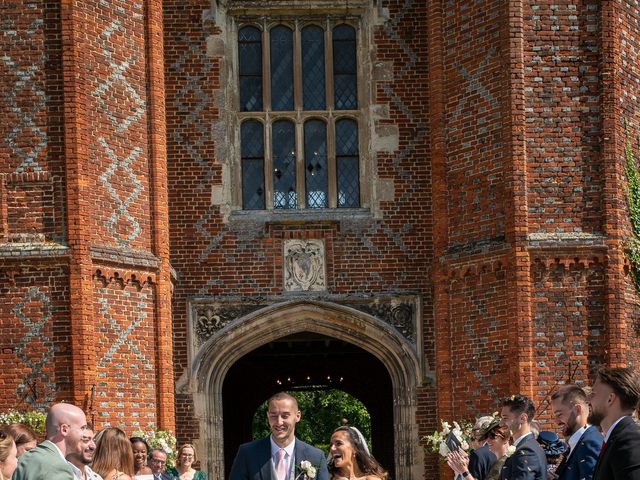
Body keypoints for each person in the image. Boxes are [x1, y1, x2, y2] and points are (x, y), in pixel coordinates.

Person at [229, 392, 329, 480]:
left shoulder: (316, 457)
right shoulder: (247, 453)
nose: (279, 422)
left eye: (285, 416)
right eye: (274, 416)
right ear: (268, 416)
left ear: (297, 416)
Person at [588, 366, 640, 480]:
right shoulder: (616, 438)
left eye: (593, 393)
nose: (588, 400)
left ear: (610, 399)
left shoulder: (629, 440)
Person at [13, 402, 88, 480]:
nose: (85, 435)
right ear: (64, 429)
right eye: (82, 428)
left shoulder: (25, 458)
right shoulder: (58, 468)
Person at [550, 384, 602, 480]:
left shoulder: (590, 442)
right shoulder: (579, 441)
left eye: (559, 414)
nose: (556, 422)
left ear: (577, 409)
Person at [499, 394, 546, 480]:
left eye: (505, 418)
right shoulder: (527, 445)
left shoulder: (526, 451)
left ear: (523, 418)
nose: (500, 423)